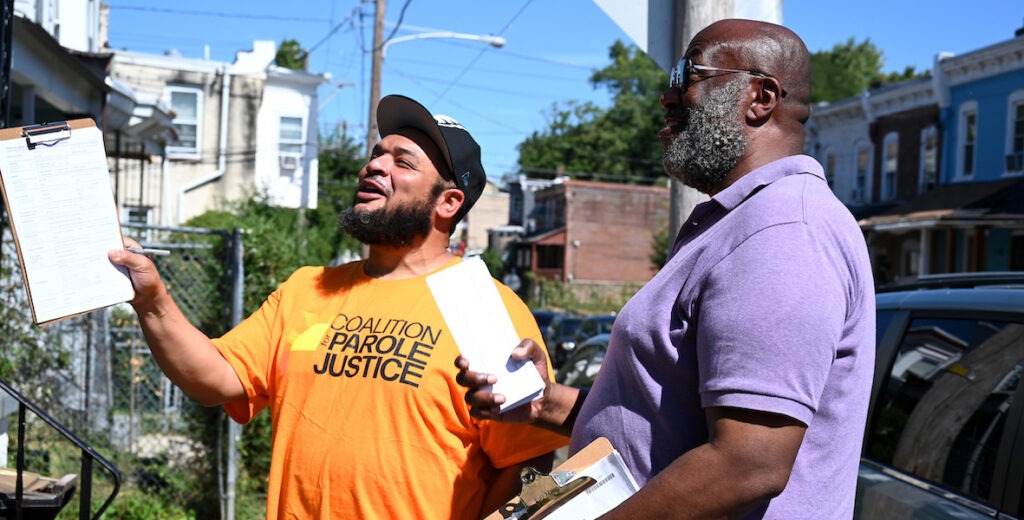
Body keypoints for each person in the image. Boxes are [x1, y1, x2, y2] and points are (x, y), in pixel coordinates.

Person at [456, 19, 875, 519]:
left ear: (760, 97)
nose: (666, 97)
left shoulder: (782, 231)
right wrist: (543, 403)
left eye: (687, 74)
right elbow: (660, 423)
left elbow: (748, 463)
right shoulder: (743, 224)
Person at [110, 94, 567, 519]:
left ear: (448, 203)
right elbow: (215, 378)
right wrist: (151, 300)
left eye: (402, 162)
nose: (375, 167)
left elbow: (527, 460)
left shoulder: (483, 307)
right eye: (376, 154)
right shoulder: (308, 289)